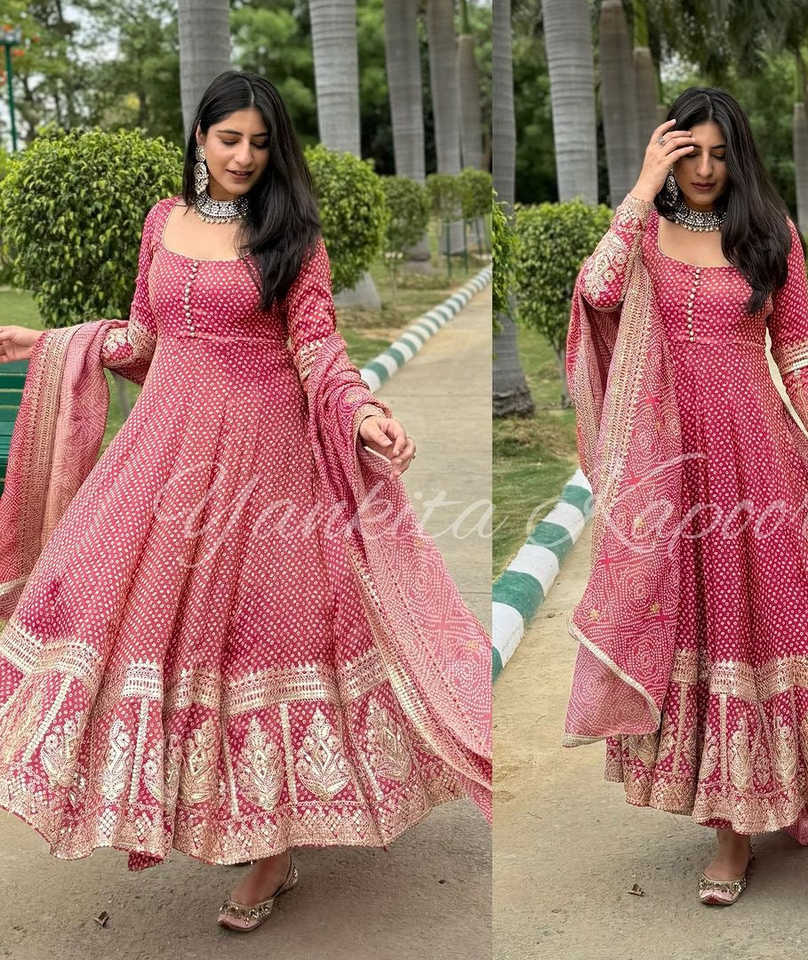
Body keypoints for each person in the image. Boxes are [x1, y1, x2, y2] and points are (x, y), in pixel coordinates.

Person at [0, 69, 491, 933]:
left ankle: (272, 851)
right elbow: (144, 338)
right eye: (229, 138)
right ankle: (205, 809)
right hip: (163, 457)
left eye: (260, 143)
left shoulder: (292, 236)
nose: (243, 156)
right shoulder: (163, 222)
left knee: (267, 637)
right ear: (200, 136)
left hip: (265, 462)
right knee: (135, 621)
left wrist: (362, 412)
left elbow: (318, 349)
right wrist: (51, 342)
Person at [561, 86, 808, 959]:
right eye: (688, 153)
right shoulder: (644, 237)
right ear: (668, 153)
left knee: (805, 637)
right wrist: (640, 190)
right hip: (676, 480)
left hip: (762, 466)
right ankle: (733, 829)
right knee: (709, 642)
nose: (705, 170)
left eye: (718, 153)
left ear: (739, 155)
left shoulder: (770, 235)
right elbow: (594, 293)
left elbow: (799, 350)